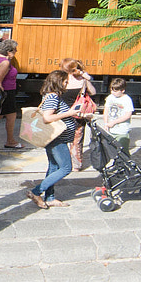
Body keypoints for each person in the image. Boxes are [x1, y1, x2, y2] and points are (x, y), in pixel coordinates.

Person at [27, 69, 88, 209]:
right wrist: (70, 113)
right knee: (66, 168)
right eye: (66, 81)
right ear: (59, 82)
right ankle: (36, 192)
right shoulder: (52, 97)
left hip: (58, 138)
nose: (67, 84)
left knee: (54, 167)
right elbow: (47, 118)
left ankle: (50, 197)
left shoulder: (52, 96)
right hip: (57, 139)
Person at [60, 59, 98, 170]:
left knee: (61, 139)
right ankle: (76, 165)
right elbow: (93, 92)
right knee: (77, 140)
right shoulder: (82, 80)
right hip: (78, 114)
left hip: (63, 114)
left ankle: (62, 162)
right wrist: (87, 79)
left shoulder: (62, 80)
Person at [94, 77, 135, 172]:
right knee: (113, 150)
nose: (113, 93)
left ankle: (126, 166)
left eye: (116, 91)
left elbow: (128, 115)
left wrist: (113, 122)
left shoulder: (127, 99)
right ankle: (117, 165)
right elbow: (106, 110)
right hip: (111, 129)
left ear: (122, 90)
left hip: (122, 130)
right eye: (112, 90)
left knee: (123, 149)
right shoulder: (110, 98)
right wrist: (106, 123)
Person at [0, 38, 26, 150]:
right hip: (6, 92)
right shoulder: (5, 62)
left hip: (5, 92)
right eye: (14, 50)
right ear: (9, 51)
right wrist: (1, 93)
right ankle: (10, 141)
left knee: (1, 115)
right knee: (7, 116)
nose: (15, 53)